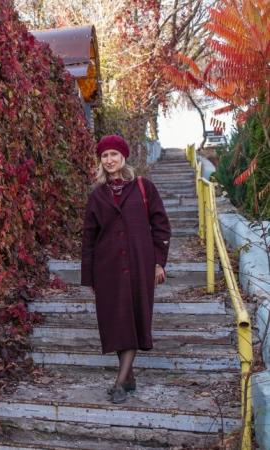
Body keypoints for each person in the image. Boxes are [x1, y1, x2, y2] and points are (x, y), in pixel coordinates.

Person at [80, 135, 171, 404]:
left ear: (123, 158)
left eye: (114, 155)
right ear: (101, 161)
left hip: (140, 265)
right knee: (117, 323)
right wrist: (89, 277)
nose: (109, 160)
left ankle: (120, 382)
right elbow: (88, 237)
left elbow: (161, 226)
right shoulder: (97, 196)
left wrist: (158, 262)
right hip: (107, 268)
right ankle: (128, 377)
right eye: (105, 156)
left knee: (134, 318)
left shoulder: (144, 187)